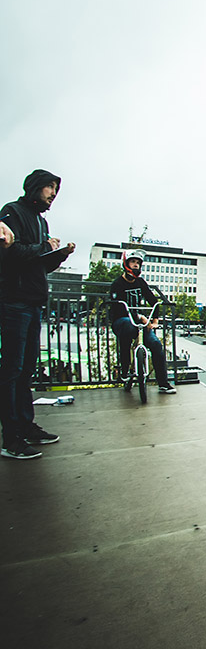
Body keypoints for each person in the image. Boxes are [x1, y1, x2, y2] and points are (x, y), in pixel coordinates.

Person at [0, 170, 75, 460]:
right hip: (14, 302)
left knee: (26, 369)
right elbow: (10, 254)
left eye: (56, 189)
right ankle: (11, 439)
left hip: (32, 302)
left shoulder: (41, 222)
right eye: (49, 187)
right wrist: (46, 247)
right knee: (12, 370)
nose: (53, 193)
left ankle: (26, 426)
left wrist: (58, 256)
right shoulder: (12, 212)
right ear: (34, 187)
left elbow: (38, 265)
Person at [108, 249, 177, 394]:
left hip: (140, 324)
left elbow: (154, 301)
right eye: (133, 262)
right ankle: (125, 372)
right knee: (128, 328)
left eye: (138, 263)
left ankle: (163, 383)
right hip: (121, 322)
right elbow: (116, 308)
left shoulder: (140, 282)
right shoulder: (117, 284)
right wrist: (139, 317)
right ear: (126, 264)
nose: (135, 265)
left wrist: (154, 321)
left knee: (156, 345)